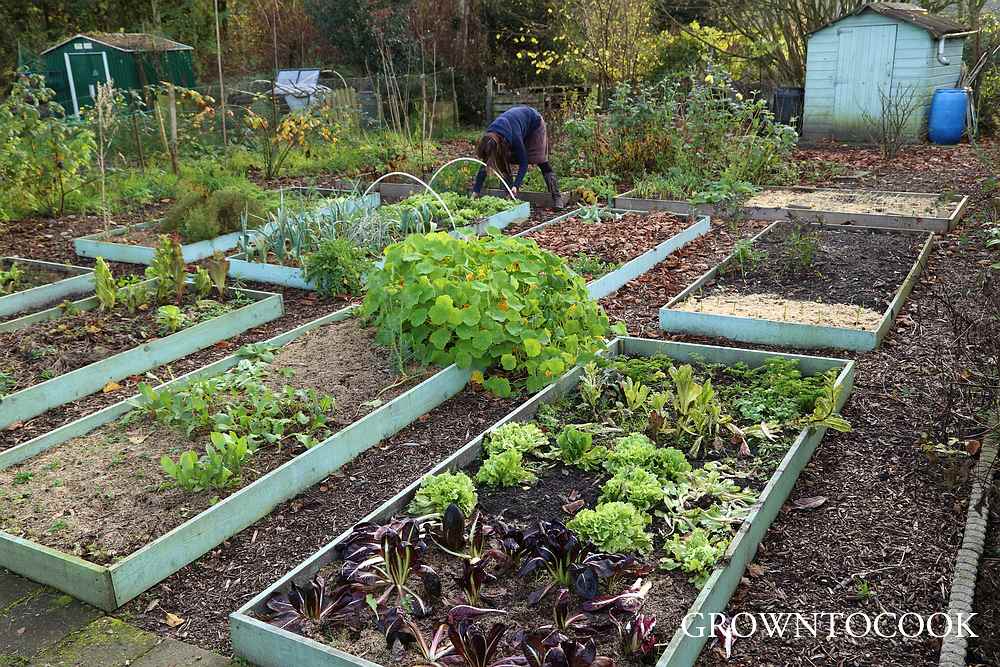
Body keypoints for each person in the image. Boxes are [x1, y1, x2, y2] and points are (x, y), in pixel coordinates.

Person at [471, 105, 567, 208]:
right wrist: (475, 191)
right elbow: (486, 164)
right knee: (503, 160)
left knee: (540, 160)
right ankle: (509, 196)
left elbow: (524, 162)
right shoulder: (490, 139)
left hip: (535, 125)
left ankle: (557, 197)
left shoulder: (514, 137)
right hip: (516, 127)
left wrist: (516, 185)